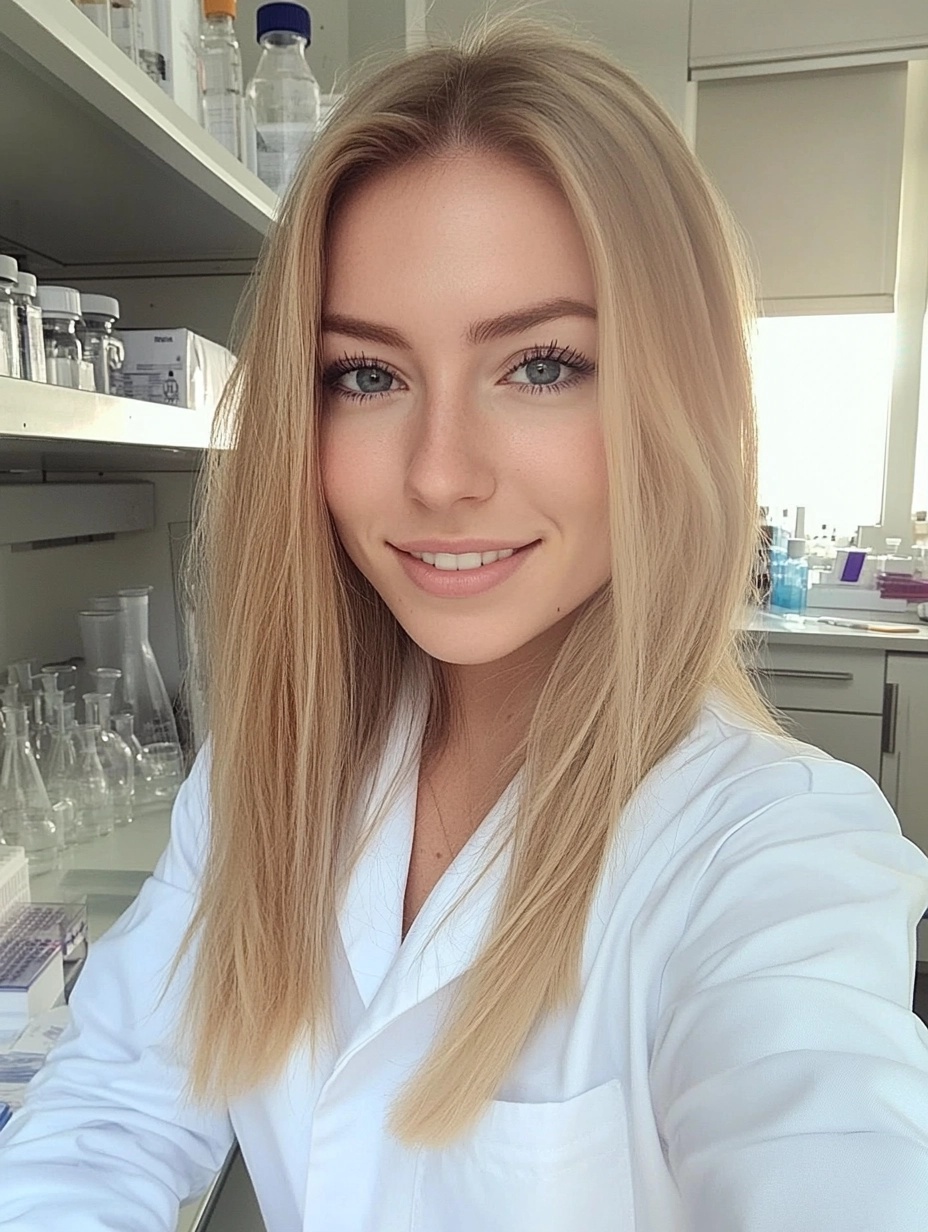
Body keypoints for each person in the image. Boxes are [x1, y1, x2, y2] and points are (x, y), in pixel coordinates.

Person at [2, 15, 928, 1231]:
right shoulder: (266, 779)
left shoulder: (767, 853)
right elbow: (108, 1112)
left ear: (676, 397)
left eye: (540, 364)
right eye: (368, 375)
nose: (439, 474)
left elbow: (830, 1135)